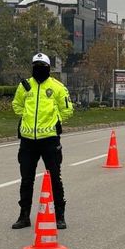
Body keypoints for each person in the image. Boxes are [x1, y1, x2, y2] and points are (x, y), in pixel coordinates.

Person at [11, 53, 73, 230]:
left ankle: (59, 216)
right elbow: (17, 105)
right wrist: (26, 117)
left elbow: (68, 109)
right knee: (26, 179)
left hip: (50, 141)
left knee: (55, 178)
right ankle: (24, 216)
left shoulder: (57, 87)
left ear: (48, 68)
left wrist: (55, 120)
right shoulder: (25, 86)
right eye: (35, 65)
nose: (38, 69)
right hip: (28, 141)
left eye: (42, 66)